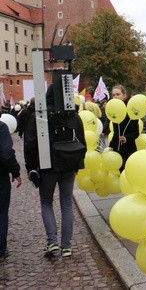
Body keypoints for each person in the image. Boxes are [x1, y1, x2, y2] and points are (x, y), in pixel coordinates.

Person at [23, 84, 86, 258]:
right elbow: (83, 142)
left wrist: (30, 168)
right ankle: (66, 246)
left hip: (47, 165)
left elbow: (30, 144)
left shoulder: (41, 115)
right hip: (68, 165)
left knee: (46, 202)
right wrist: (77, 164)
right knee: (66, 203)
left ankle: (52, 242)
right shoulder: (73, 115)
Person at [0, 112, 22, 262]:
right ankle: (0, 250)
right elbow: (6, 153)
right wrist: (15, 171)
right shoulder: (1, 127)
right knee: (1, 213)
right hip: (0, 178)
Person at [108, 85, 139, 171]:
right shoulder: (114, 111)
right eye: (113, 95)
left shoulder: (130, 110)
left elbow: (135, 132)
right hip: (116, 150)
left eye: (118, 94)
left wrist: (125, 138)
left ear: (124, 95)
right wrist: (110, 147)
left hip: (128, 150)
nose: (115, 97)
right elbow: (116, 133)